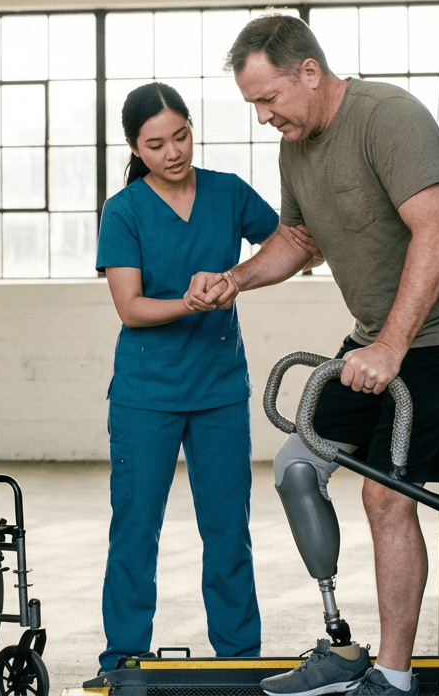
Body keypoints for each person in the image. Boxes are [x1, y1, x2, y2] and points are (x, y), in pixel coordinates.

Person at [188, 15, 439, 696]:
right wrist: (236, 279)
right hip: (379, 336)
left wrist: (392, 345)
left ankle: (392, 677)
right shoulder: (297, 145)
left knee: (385, 495)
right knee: (296, 466)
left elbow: (438, 233)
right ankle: (340, 641)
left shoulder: (387, 118)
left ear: (309, 72)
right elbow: (299, 239)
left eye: (268, 99)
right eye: (253, 104)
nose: (263, 117)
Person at [95, 82, 281, 673]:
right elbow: (130, 308)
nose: (173, 152)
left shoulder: (228, 193)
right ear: (135, 147)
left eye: (181, 136)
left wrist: (239, 276)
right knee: (135, 531)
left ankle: (240, 659)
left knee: (228, 531)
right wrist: (192, 301)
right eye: (156, 145)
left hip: (219, 392)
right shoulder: (124, 211)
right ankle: (123, 658)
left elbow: (294, 243)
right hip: (146, 396)